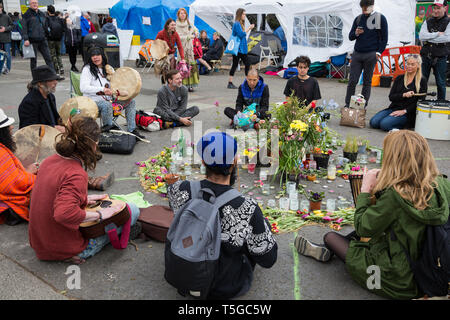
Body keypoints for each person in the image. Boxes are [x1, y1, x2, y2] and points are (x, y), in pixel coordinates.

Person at [294, 130, 450, 300]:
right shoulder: (442, 183)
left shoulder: (396, 196)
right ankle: (330, 251)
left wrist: (365, 190)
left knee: (331, 237)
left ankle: (330, 250)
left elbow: (363, 227)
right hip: (435, 267)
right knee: (378, 230)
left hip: (402, 279)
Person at [167, 132, 277, 299]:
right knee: (261, 225)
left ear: (203, 162)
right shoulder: (247, 207)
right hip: (223, 287)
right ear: (234, 162)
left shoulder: (178, 189)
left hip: (185, 272)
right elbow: (268, 259)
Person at [28, 117, 141, 265]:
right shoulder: (76, 174)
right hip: (63, 248)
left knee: (109, 205)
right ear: (93, 144)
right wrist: (100, 215)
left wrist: (84, 200)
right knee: (132, 210)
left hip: (40, 243)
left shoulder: (49, 160)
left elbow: (51, 196)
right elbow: (63, 214)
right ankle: (74, 251)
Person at [80, 46, 144, 139]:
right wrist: (103, 89)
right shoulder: (87, 69)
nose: (95, 57)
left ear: (102, 56)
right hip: (93, 103)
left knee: (131, 101)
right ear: (90, 58)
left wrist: (119, 92)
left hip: (109, 101)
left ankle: (132, 130)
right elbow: (83, 88)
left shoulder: (107, 68)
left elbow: (115, 85)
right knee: (106, 105)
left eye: (98, 55)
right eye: (92, 55)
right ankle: (108, 130)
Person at [344, 0, 388, 108]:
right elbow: (350, 37)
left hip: (371, 54)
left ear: (372, 6)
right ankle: (348, 104)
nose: (364, 9)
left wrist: (378, 53)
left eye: (366, 7)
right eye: (362, 7)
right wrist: (356, 33)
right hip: (357, 53)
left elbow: (384, 38)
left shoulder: (380, 18)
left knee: (367, 82)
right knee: (352, 81)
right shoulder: (359, 18)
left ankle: (362, 105)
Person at [370, 54, 427, 131]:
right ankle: (391, 120)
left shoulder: (422, 81)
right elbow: (391, 97)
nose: (409, 66)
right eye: (408, 64)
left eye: (412, 64)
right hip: (394, 108)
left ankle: (403, 127)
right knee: (374, 122)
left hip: (408, 113)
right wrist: (403, 95)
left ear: (418, 65)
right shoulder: (399, 78)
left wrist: (404, 111)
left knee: (384, 125)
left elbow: (420, 102)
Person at [0, 109, 37, 225]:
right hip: (8, 201)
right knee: (46, 183)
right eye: (7, 126)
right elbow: (11, 184)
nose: (11, 127)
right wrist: (29, 174)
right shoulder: (1, 153)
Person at [18, 65, 65, 132]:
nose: (56, 82)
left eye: (56, 79)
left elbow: (54, 119)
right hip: (38, 140)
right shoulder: (29, 103)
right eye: (51, 80)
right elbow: (29, 130)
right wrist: (53, 128)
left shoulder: (50, 96)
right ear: (40, 84)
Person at [419, 0, 450, 101]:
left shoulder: (448, 21)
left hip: (440, 56)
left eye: (438, 8)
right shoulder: (428, 20)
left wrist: (429, 37)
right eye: (434, 8)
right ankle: (419, 103)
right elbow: (421, 36)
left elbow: (447, 38)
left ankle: (441, 105)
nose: (435, 10)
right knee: (422, 82)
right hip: (425, 56)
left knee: (441, 83)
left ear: (445, 8)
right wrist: (436, 34)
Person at [21, 0, 55, 72]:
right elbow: (24, 28)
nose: (35, 4)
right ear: (29, 4)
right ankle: (35, 77)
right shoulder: (26, 14)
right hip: (32, 40)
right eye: (33, 3)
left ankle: (53, 74)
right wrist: (26, 39)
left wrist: (48, 34)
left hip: (43, 39)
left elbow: (45, 25)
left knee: (48, 58)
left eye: (36, 3)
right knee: (33, 60)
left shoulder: (42, 14)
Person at [227, 8, 255, 89]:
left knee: (239, 64)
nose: (244, 16)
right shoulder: (237, 24)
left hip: (241, 48)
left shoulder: (239, 23)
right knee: (245, 63)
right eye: (243, 14)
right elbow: (241, 34)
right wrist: (249, 28)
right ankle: (247, 82)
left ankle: (232, 82)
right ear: (240, 14)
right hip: (239, 48)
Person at [176, 8, 199, 92]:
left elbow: (195, 29)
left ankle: (191, 85)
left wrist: (196, 32)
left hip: (189, 48)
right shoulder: (176, 25)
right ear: (178, 15)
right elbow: (177, 37)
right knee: (182, 66)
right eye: (181, 13)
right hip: (181, 48)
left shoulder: (189, 23)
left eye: (184, 13)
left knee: (190, 65)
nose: (183, 15)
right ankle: (182, 84)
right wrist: (188, 37)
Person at [155, 18, 185, 83]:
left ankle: (169, 83)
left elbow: (180, 46)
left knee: (172, 70)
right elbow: (156, 44)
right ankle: (164, 78)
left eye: (174, 25)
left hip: (171, 54)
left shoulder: (176, 34)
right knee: (165, 70)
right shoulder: (161, 33)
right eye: (172, 25)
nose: (173, 27)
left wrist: (182, 58)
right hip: (163, 55)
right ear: (167, 25)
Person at [44, 5, 65, 77]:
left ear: (48, 11)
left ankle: (56, 69)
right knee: (58, 53)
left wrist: (47, 35)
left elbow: (46, 29)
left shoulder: (47, 19)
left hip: (51, 39)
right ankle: (61, 67)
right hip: (58, 38)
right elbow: (63, 28)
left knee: (53, 54)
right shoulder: (59, 19)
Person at [0, 3, 13, 74]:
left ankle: (8, 69)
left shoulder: (6, 17)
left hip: (6, 39)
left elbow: (12, 26)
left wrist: (5, 29)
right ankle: (1, 68)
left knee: (7, 55)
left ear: (1, 8)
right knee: (0, 56)